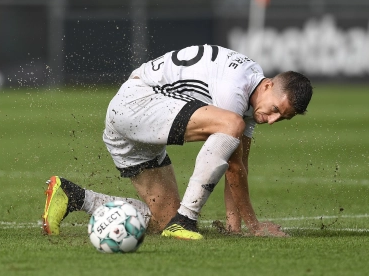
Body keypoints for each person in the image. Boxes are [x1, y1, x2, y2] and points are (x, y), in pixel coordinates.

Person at [42, 44, 312, 239]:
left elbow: (240, 165)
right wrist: (255, 227)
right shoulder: (235, 90)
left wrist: (235, 227)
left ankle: (74, 196)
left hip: (137, 117)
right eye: (276, 110)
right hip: (137, 103)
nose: (272, 120)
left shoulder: (254, 93)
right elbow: (233, 164)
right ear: (268, 87)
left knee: (162, 219)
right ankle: (185, 221)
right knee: (232, 126)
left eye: (282, 119)